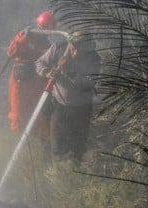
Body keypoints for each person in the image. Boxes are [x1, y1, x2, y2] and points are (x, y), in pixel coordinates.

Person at [35, 31, 101, 162]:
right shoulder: (58, 48)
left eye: (81, 51)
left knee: (78, 148)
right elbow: (40, 63)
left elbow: (90, 82)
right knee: (57, 145)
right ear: (70, 44)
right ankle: (57, 173)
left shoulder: (94, 58)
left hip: (82, 108)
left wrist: (70, 71)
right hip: (59, 105)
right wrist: (47, 72)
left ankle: (75, 172)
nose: (76, 53)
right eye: (74, 48)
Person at [6, 10, 56, 139]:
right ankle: (15, 143)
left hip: (37, 86)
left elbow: (48, 66)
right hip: (20, 85)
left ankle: (36, 146)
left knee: (38, 116)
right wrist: (22, 37)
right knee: (18, 115)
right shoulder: (26, 37)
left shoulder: (48, 46)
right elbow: (11, 52)